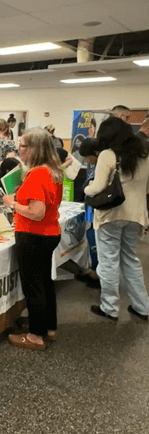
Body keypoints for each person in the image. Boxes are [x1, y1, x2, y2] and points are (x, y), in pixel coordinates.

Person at [2, 128, 64, 350]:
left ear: (34, 148)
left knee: (33, 286)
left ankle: (35, 336)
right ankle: (49, 327)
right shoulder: (52, 171)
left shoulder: (37, 174)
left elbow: (36, 211)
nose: (18, 150)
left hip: (33, 235)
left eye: (22, 146)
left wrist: (12, 203)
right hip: (49, 233)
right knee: (45, 283)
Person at [84, 116, 149, 321]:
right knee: (131, 260)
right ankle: (142, 306)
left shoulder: (107, 154)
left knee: (108, 262)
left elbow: (98, 187)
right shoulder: (144, 154)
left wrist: (86, 189)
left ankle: (109, 307)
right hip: (136, 215)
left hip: (111, 214)